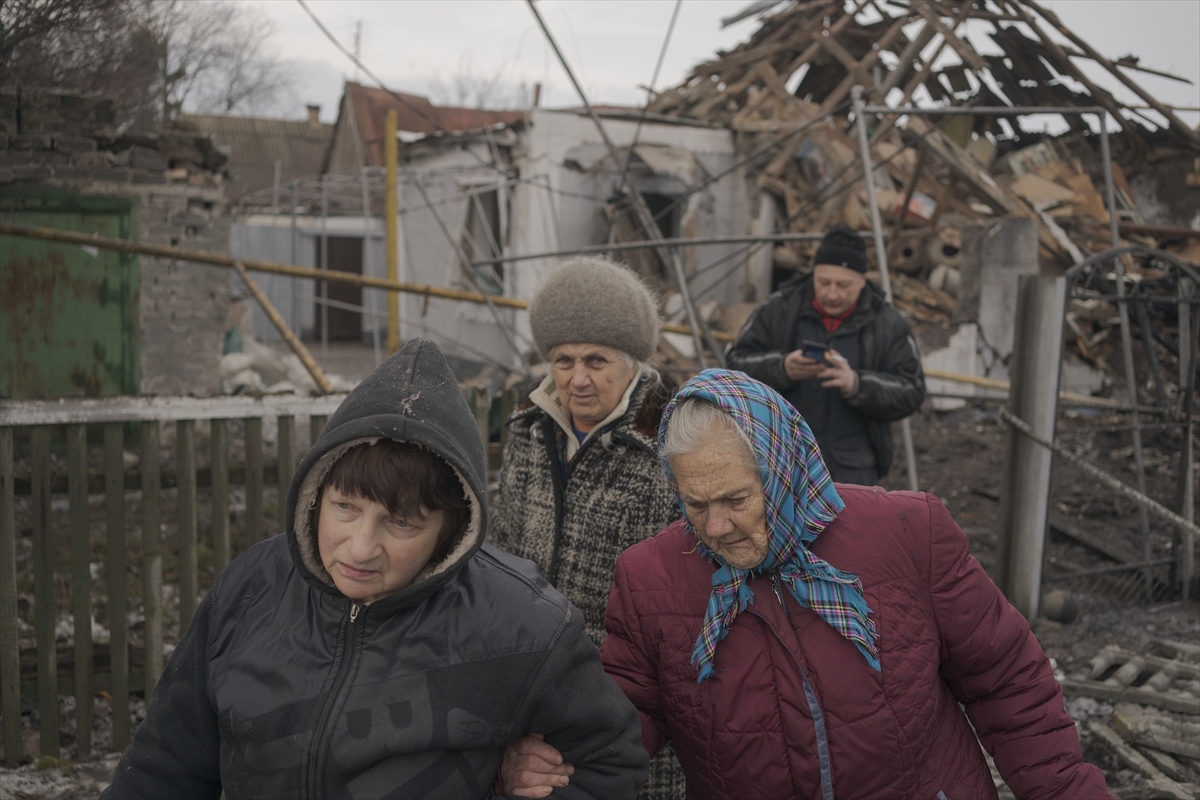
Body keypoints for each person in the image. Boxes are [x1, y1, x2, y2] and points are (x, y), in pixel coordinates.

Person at [504, 369, 1111, 799]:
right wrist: (552, 755)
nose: (716, 527)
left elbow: (1009, 684)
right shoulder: (651, 577)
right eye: (694, 504)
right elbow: (622, 716)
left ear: (785, 468)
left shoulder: (906, 532)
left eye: (737, 498)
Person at [101, 339, 648, 799]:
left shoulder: (523, 624)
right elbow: (162, 768)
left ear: (451, 528)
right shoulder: (249, 590)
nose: (360, 549)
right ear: (317, 493)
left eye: (402, 524)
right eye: (346, 508)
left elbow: (609, 764)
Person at [490, 256, 686, 799]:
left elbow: (686, 602)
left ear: (631, 362)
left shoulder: (669, 441)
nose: (577, 379)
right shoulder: (531, 432)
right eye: (563, 360)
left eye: (596, 360)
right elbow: (502, 555)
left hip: (631, 706)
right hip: (529, 694)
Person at [726, 223, 925, 485]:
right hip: (780, 460)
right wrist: (783, 368)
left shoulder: (888, 323)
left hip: (854, 468)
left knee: (850, 527)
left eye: (843, 285)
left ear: (862, 280)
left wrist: (857, 384)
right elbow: (735, 365)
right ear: (813, 274)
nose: (832, 293)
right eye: (824, 282)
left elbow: (912, 390)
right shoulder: (779, 308)